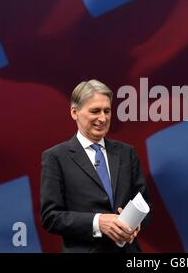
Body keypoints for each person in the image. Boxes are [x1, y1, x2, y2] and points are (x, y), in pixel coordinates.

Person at [40, 79, 151, 253]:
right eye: (95, 111)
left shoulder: (126, 152)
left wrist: (135, 223)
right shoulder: (56, 158)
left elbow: (144, 203)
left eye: (107, 111)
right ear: (74, 112)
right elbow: (51, 217)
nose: (103, 118)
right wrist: (98, 222)